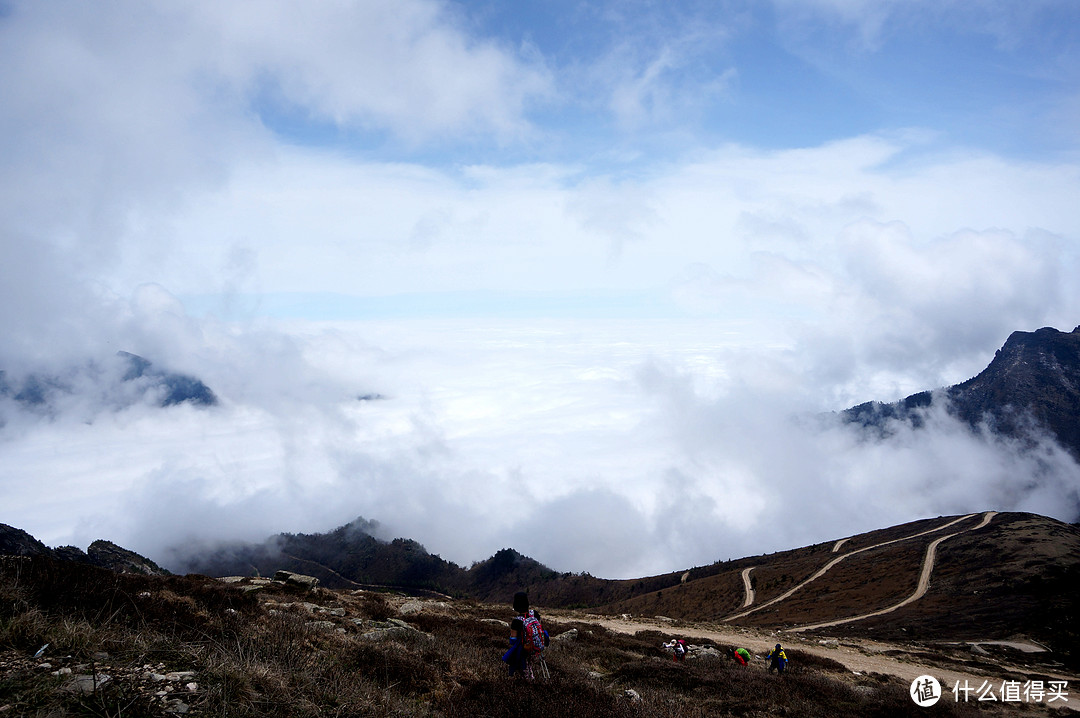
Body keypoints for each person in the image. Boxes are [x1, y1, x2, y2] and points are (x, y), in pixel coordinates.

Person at [503, 592, 547, 680]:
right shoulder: (534, 613)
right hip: (538, 646)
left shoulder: (517, 621)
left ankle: (531, 685)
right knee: (530, 665)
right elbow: (540, 628)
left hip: (525, 648)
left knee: (525, 670)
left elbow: (513, 640)